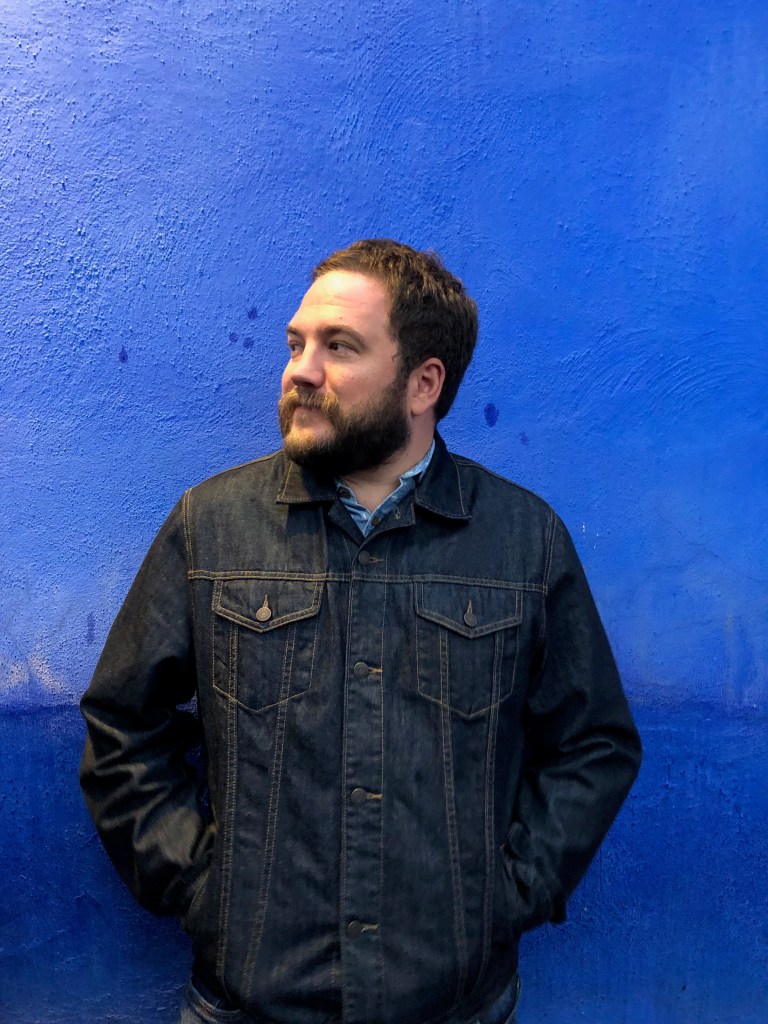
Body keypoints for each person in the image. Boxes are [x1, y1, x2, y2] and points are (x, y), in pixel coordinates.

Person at [80, 239, 641, 1024]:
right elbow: (122, 727)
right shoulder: (211, 529)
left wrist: (508, 895)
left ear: (423, 382)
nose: (300, 370)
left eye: (339, 347)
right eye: (296, 343)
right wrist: (206, 890)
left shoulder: (523, 542)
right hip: (249, 1004)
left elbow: (594, 745)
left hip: (454, 1006)